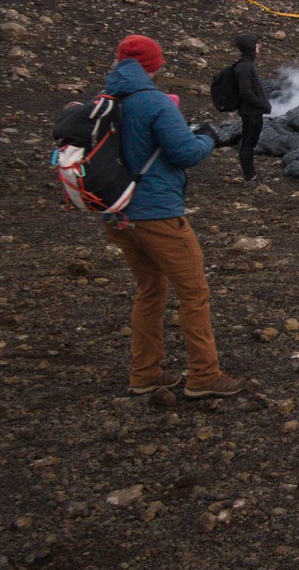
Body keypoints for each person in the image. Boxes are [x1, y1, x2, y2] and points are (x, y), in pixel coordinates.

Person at [101, 35, 244, 399]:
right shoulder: (154, 102)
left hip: (117, 212)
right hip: (157, 213)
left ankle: (145, 373)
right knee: (194, 293)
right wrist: (209, 138)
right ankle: (204, 375)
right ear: (155, 65)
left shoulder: (106, 100)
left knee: (150, 291)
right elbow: (184, 153)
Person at [232, 33, 272, 184]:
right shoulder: (244, 67)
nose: (258, 46)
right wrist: (261, 104)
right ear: (251, 47)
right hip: (251, 112)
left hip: (253, 111)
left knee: (250, 144)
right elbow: (246, 92)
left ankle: (251, 175)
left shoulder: (247, 65)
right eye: (256, 44)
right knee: (247, 145)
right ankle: (250, 177)